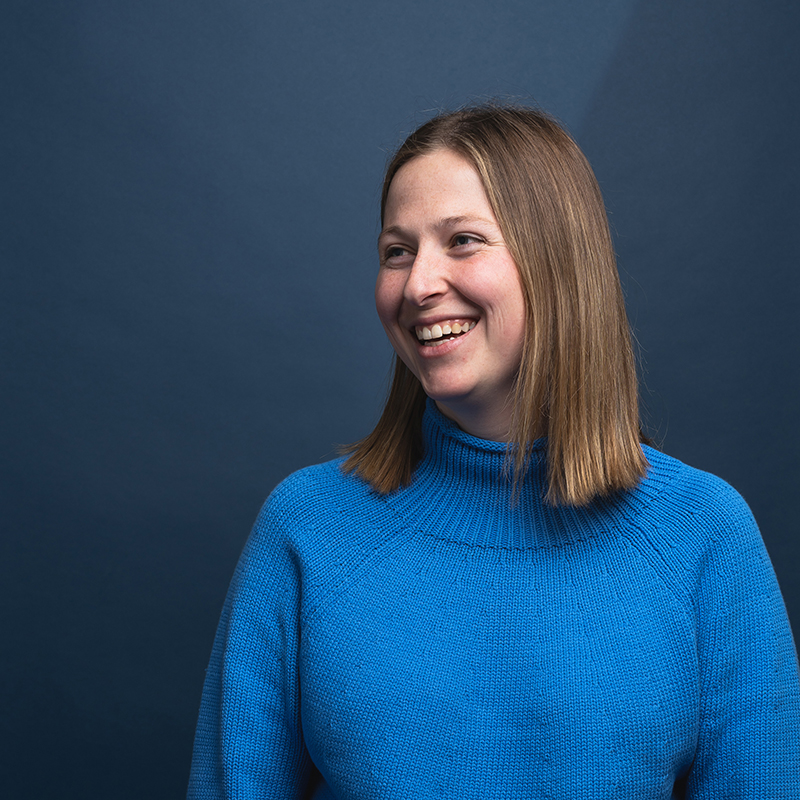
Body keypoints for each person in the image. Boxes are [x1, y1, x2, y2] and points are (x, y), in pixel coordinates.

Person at [187, 104, 800, 799]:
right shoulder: (305, 528)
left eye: (464, 241)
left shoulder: (703, 538)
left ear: (558, 265)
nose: (418, 285)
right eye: (397, 251)